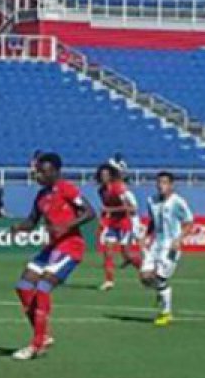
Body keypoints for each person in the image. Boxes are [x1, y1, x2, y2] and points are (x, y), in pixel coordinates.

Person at [10, 152, 95, 361]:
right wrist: (19, 227)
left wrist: (67, 225)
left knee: (43, 286)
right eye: (38, 171)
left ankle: (36, 345)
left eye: (44, 171)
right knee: (23, 285)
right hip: (51, 248)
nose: (40, 175)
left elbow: (90, 212)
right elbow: (32, 221)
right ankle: (43, 335)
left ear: (56, 171)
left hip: (70, 247)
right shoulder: (41, 196)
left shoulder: (66, 188)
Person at [139, 171, 194, 327]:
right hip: (156, 244)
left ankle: (166, 312)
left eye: (164, 182)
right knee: (144, 277)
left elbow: (189, 222)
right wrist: (146, 236)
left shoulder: (178, 202)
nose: (160, 185)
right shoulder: (152, 201)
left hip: (170, 246)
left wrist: (179, 239)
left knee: (161, 278)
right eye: (158, 182)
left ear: (171, 185)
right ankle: (161, 291)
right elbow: (152, 222)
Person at [96, 163, 140, 291]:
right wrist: (102, 220)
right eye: (101, 175)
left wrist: (110, 209)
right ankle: (109, 281)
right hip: (112, 223)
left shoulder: (118, 188)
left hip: (124, 223)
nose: (103, 177)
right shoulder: (101, 191)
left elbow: (131, 208)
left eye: (106, 174)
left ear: (111, 175)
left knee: (127, 255)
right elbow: (105, 208)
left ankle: (145, 269)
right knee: (108, 252)